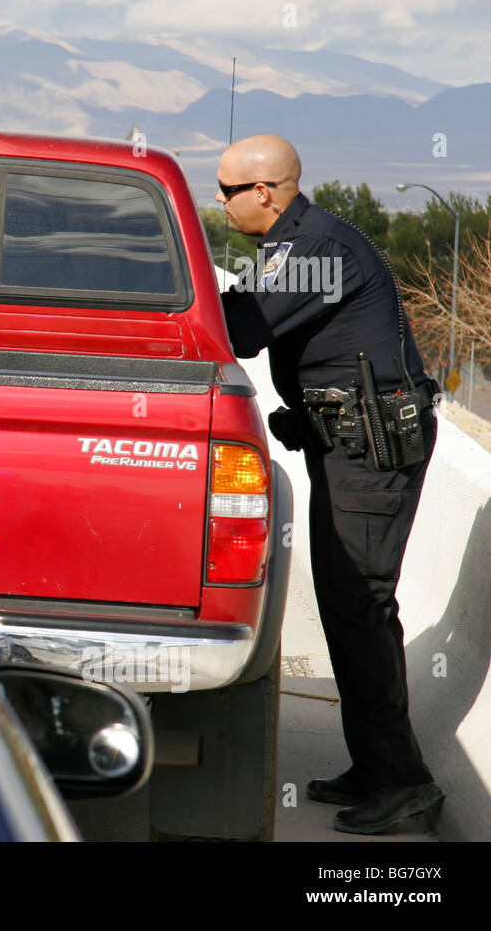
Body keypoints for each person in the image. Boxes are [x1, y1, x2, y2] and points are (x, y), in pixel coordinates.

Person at [215, 134, 444, 835]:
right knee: (352, 607)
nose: (220, 204)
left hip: (370, 450)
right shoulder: (295, 246)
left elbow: (240, 328)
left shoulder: (314, 249)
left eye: (226, 191)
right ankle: (375, 766)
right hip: (349, 445)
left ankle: (402, 783)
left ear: (263, 192)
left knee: (359, 605)